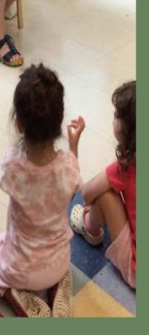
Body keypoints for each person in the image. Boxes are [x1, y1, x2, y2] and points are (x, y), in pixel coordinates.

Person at [0, 64, 85, 317]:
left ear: (18, 123)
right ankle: (57, 287)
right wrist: (73, 146)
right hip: (59, 261)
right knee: (53, 262)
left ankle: (15, 294)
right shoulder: (67, 166)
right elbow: (72, 192)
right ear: (59, 121)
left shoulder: (12, 165)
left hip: (20, 269)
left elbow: (11, 185)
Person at [70, 80, 136, 289]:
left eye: (117, 115)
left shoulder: (125, 168)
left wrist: (73, 146)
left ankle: (89, 226)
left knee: (105, 194)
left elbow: (87, 193)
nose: (113, 118)